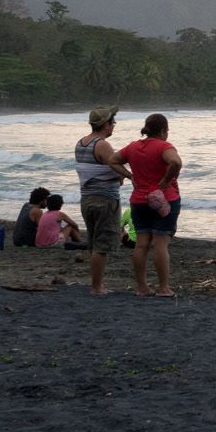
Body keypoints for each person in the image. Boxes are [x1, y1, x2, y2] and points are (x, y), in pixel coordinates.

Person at [116, 113, 182, 297]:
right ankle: (163, 288)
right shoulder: (163, 146)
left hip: (139, 200)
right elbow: (176, 162)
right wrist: (165, 182)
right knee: (160, 243)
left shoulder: (133, 147)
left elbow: (113, 160)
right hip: (164, 199)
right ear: (163, 131)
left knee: (142, 243)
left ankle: (142, 287)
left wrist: (130, 176)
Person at [76, 105, 132, 295]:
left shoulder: (81, 143)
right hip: (105, 199)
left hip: (87, 199)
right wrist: (131, 176)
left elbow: (91, 169)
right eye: (112, 122)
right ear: (105, 125)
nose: (114, 126)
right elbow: (114, 165)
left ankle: (95, 284)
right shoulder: (102, 145)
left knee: (93, 242)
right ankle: (96, 287)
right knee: (102, 245)